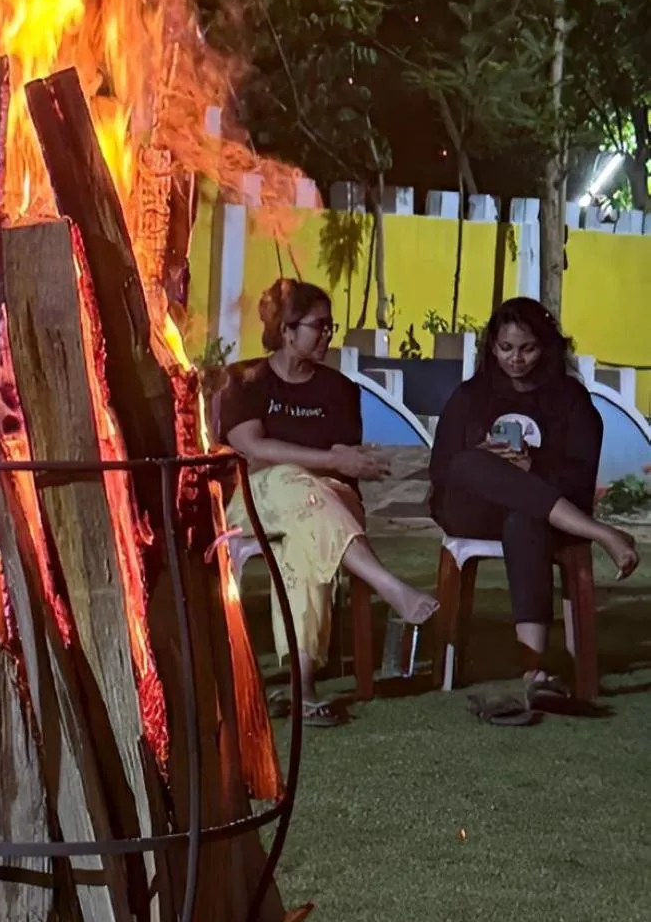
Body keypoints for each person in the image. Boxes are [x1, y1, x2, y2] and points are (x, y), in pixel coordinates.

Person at [219, 277, 439, 726]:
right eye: (318, 326)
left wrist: (329, 465)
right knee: (288, 480)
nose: (326, 335)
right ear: (286, 330)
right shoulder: (246, 381)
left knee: (304, 544)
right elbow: (254, 448)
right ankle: (387, 583)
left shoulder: (340, 390)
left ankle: (301, 686)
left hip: (330, 501)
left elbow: (345, 468)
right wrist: (324, 459)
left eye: (330, 327)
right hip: (259, 499)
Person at [429, 296, 638, 707]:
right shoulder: (471, 396)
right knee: (471, 462)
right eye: (506, 348)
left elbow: (580, 478)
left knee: (526, 517)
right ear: (492, 346)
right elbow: (443, 471)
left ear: (547, 347)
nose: (516, 359)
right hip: (471, 510)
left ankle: (534, 668)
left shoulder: (570, 400)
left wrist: (530, 468)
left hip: (542, 515)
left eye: (527, 348)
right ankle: (603, 535)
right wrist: (494, 466)